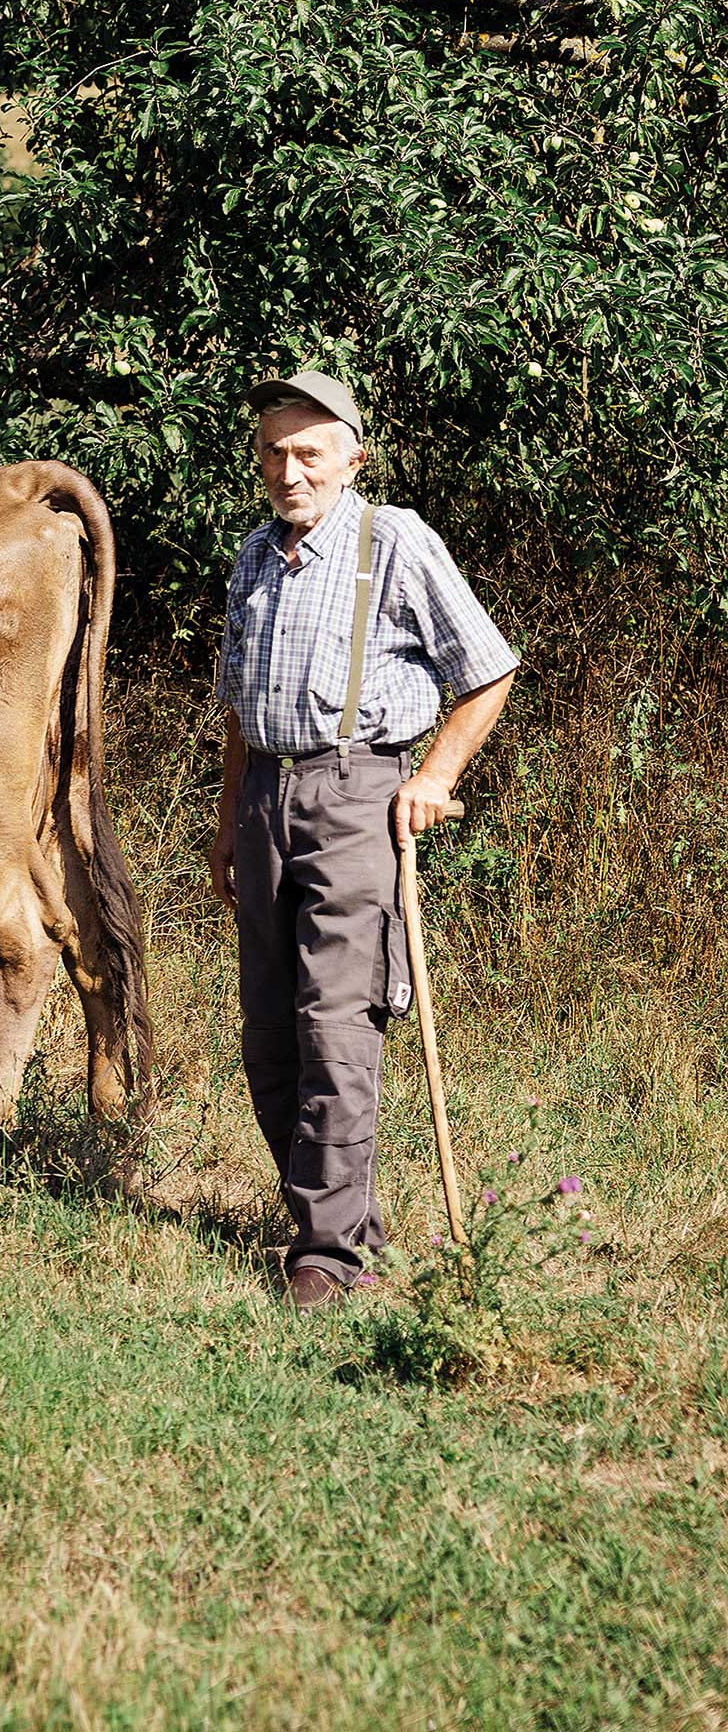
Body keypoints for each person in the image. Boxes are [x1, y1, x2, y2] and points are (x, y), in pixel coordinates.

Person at [211, 369, 520, 1309]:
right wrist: (228, 821)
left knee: (335, 1024)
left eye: (308, 450)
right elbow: (233, 709)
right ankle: (346, 1220)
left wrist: (434, 778)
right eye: (273, 451)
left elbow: (489, 670)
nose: (287, 469)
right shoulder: (255, 557)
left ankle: (330, 1255)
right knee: (268, 1032)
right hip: (264, 792)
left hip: (356, 797)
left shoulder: (395, 542)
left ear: (353, 456)